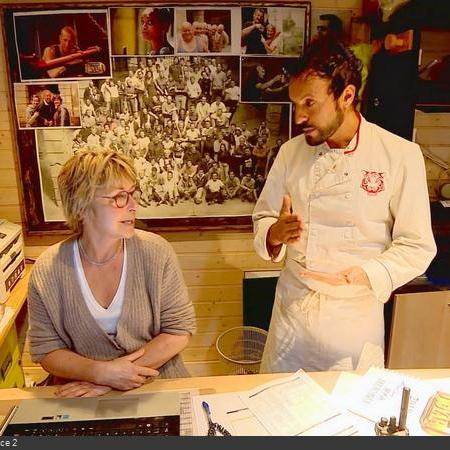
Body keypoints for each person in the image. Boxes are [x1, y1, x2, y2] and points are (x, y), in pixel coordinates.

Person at [252, 39, 436, 373]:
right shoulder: (290, 154)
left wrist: (367, 274)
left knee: (347, 418)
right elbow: (263, 217)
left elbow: (418, 246)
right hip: (294, 315)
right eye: (295, 104)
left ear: (347, 96)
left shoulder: (399, 156)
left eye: (310, 103)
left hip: (354, 320)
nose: (299, 117)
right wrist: (274, 233)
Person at [28, 150, 196, 397]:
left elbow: (179, 331)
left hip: (156, 384)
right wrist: (99, 373)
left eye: (132, 194)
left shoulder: (156, 252)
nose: (133, 206)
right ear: (82, 205)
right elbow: (47, 351)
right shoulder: (46, 270)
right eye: (119, 197)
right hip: (79, 392)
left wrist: (113, 378)